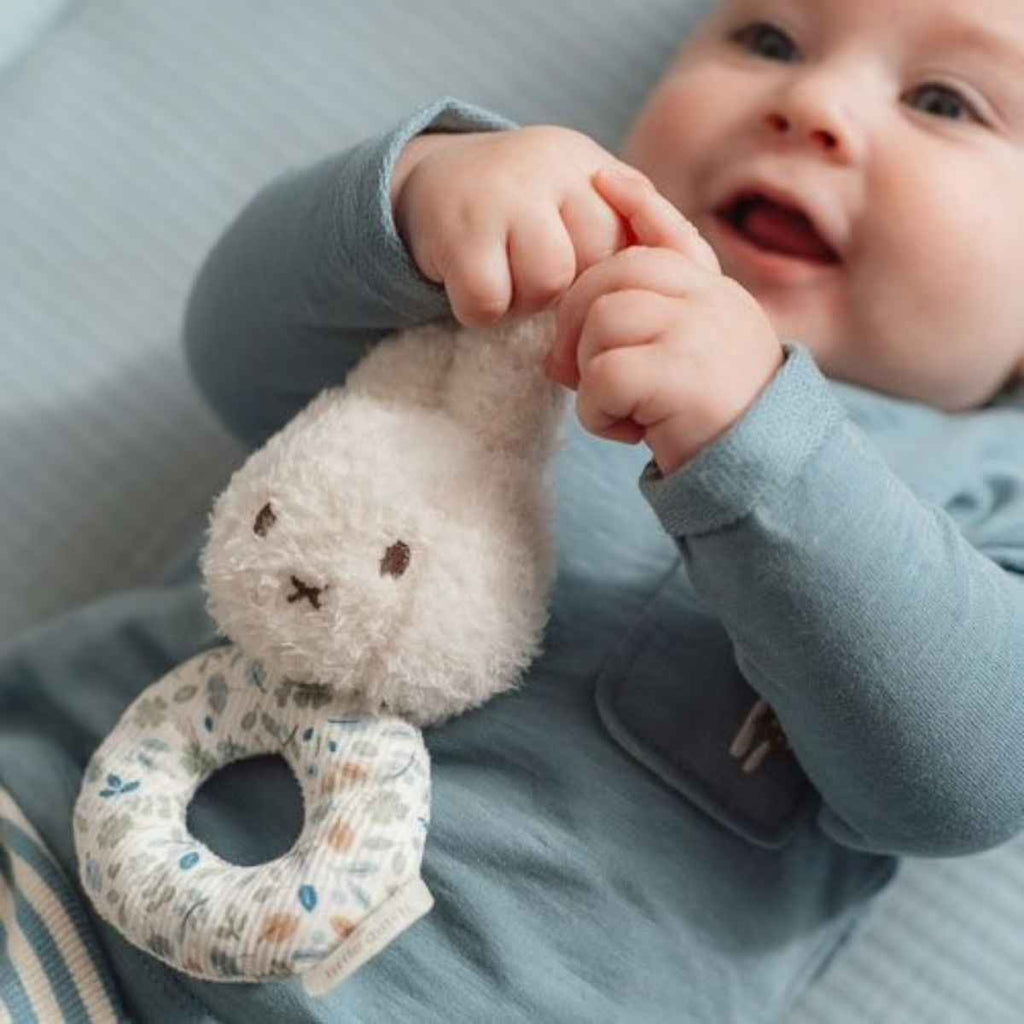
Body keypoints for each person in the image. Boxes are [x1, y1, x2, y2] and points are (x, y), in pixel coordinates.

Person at [3, 0, 1024, 1020]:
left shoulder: (984, 482)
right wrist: (415, 192)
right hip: (47, 854)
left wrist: (758, 434)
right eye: (767, 41)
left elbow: (969, 775)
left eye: (945, 101)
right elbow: (238, 364)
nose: (810, 104)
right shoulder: (516, 271)